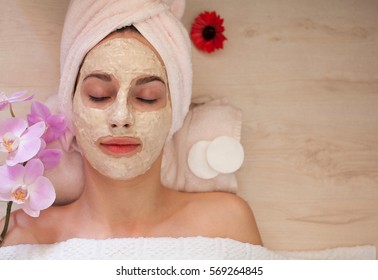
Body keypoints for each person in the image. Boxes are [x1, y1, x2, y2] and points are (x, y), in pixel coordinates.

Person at [0, 0, 261, 259]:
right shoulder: (20, 235)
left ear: (175, 111)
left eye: (147, 97)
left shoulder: (226, 225)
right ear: (72, 108)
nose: (121, 117)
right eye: (99, 95)